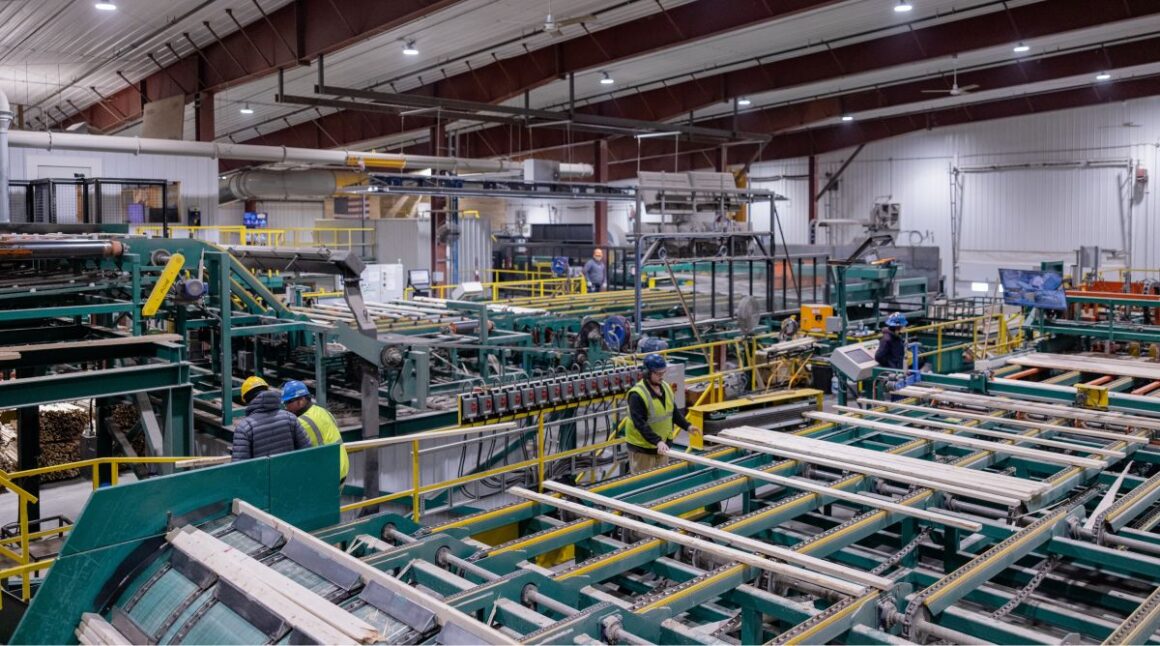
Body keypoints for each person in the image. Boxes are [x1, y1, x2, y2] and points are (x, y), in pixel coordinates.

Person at [622, 354, 700, 472]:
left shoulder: (665, 387)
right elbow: (640, 424)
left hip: (662, 447)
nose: (662, 376)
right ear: (648, 373)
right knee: (645, 486)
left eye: (663, 373)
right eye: (658, 374)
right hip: (643, 449)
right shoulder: (637, 395)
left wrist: (687, 426)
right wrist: (657, 441)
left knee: (661, 481)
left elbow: (672, 412)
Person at [281, 380, 350, 483]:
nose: (286, 407)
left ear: (301, 400)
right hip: (343, 467)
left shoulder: (301, 423)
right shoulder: (322, 411)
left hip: (329, 473)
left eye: (288, 402)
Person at [231, 376, 310, 461]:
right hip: (290, 473)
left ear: (246, 400)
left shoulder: (244, 428)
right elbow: (307, 451)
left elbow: (239, 466)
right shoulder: (290, 418)